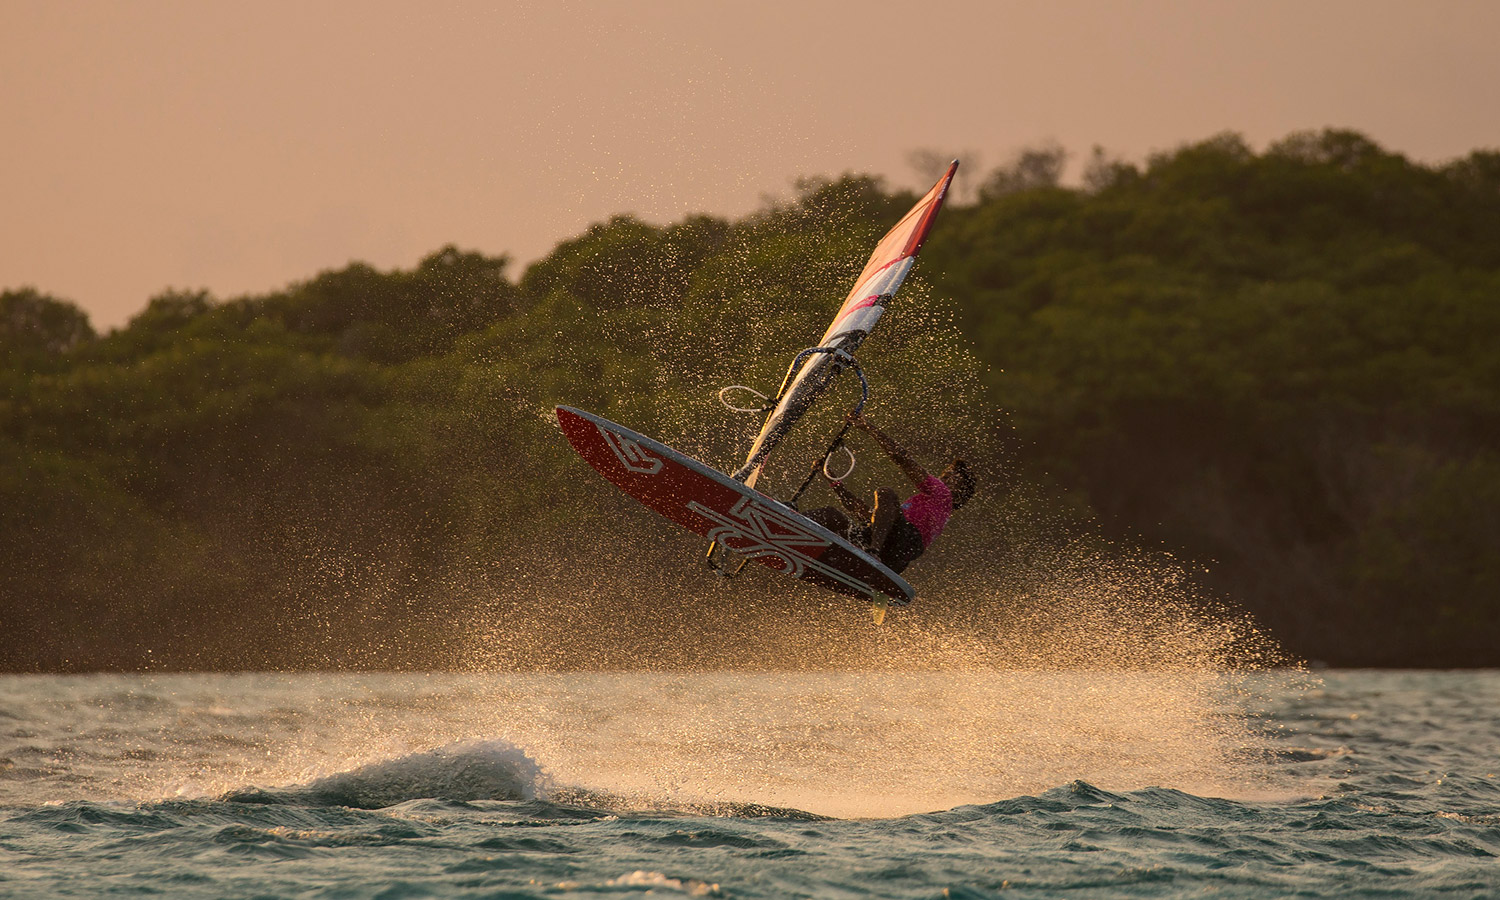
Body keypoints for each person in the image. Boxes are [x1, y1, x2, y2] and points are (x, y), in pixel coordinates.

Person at [801, 411, 975, 573]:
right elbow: (867, 515)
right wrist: (835, 482)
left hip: (895, 548)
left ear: (958, 493)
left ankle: (872, 553)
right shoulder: (927, 507)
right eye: (945, 475)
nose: (944, 479)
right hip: (890, 555)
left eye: (951, 479)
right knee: (831, 516)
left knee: (886, 493)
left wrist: (868, 427)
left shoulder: (943, 495)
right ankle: (790, 526)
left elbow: (902, 457)